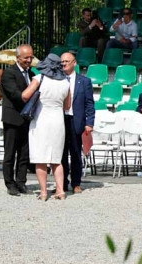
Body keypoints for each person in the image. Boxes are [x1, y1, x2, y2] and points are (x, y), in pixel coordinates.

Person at [25, 54, 71, 201]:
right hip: (57, 121)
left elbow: (25, 95)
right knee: (56, 159)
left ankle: (44, 192)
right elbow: (67, 105)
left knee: (41, 158)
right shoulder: (65, 82)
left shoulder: (39, 78)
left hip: (41, 120)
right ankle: (60, 191)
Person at [0, 44, 35, 196]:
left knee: (24, 153)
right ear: (18, 58)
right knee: (10, 153)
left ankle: (21, 182)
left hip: (26, 119)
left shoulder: (32, 74)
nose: (29, 60)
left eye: (31, 57)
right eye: (26, 57)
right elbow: (15, 95)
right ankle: (10, 184)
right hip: (13, 118)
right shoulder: (9, 73)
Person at [59, 52, 95, 195]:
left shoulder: (84, 81)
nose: (63, 64)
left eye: (66, 61)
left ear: (74, 63)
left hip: (76, 120)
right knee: (61, 154)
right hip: (60, 120)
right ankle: (61, 183)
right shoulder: (57, 80)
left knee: (75, 153)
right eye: (62, 61)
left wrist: (89, 123)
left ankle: (76, 183)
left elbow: (89, 103)